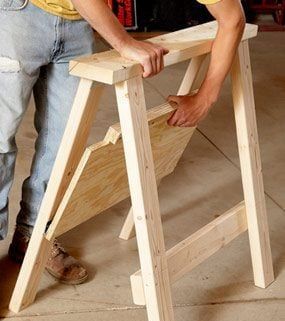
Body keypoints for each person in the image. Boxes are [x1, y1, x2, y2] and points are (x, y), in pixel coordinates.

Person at [0, 0, 245, 284]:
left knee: (63, 144)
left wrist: (205, 98)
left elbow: (232, 18)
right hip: (20, 13)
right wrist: (124, 42)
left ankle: (33, 234)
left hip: (81, 23)